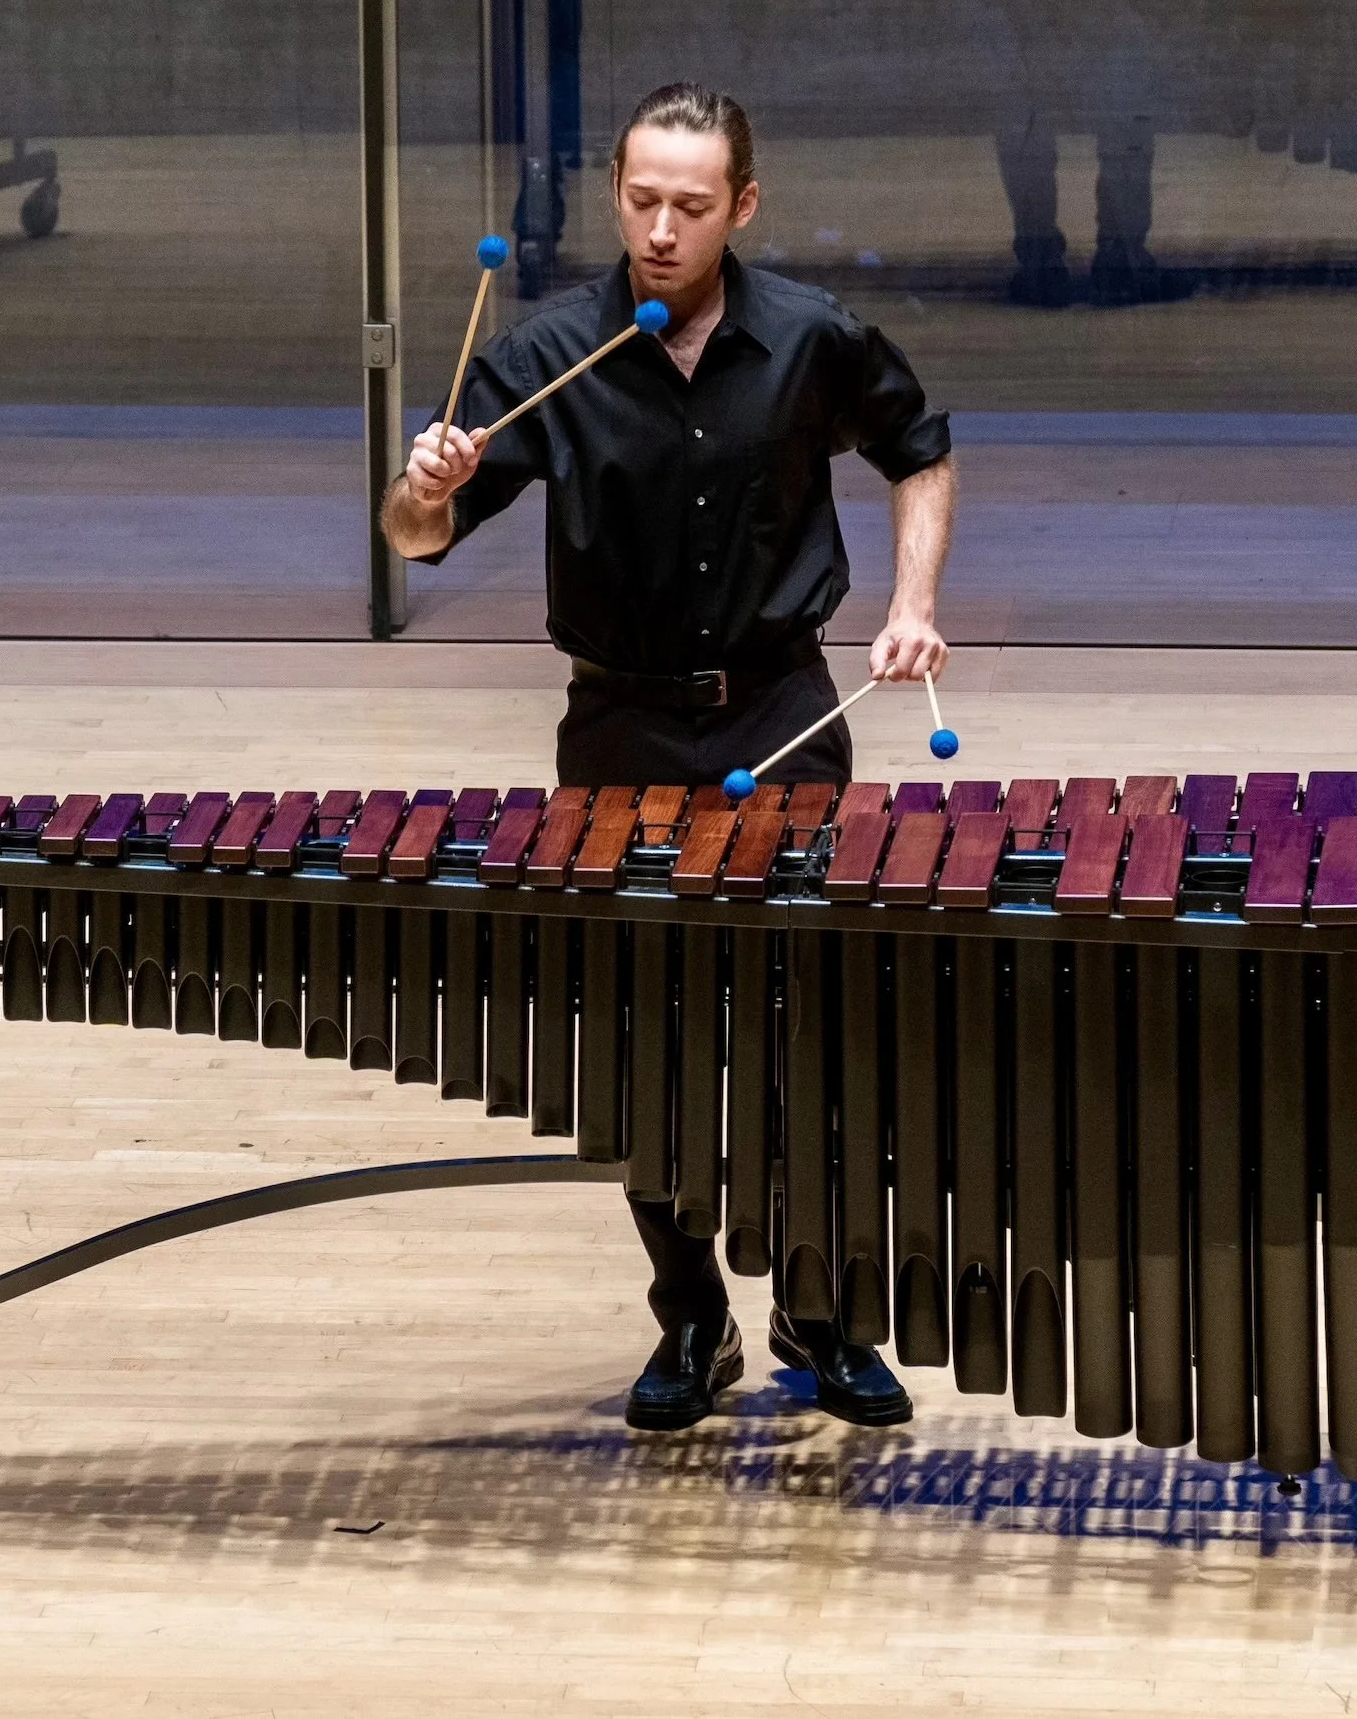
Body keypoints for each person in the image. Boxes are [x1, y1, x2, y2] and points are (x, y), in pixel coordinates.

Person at [382, 82, 958, 1432]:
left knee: (809, 1026)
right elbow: (413, 540)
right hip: (622, 724)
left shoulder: (810, 338)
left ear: (740, 206)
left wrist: (913, 605)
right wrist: (428, 483)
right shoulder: (547, 355)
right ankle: (690, 1318)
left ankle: (817, 1316)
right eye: (639, 199)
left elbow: (918, 452)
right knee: (645, 1037)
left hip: (779, 713)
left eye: (689, 206)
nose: (657, 228)